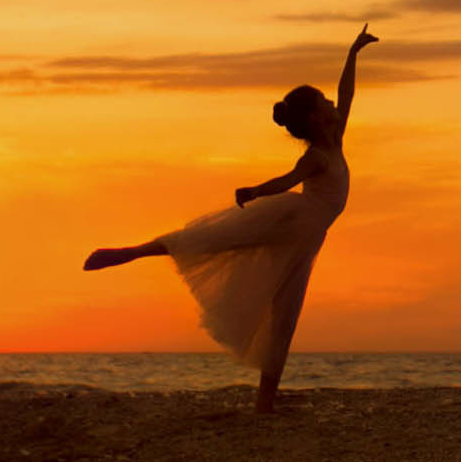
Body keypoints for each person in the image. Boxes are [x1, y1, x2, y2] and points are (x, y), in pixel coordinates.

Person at [83, 25, 377, 413]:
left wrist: (354, 51)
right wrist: (256, 191)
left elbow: (347, 92)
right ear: (314, 117)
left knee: (284, 315)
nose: (331, 103)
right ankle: (133, 252)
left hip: (306, 236)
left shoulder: (335, 136)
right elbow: (286, 181)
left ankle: (265, 402)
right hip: (292, 222)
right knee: (219, 239)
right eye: (323, 101)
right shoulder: (316, 158)